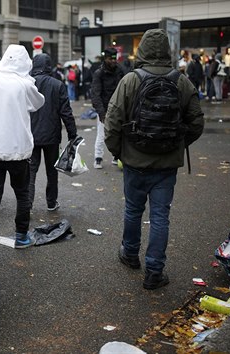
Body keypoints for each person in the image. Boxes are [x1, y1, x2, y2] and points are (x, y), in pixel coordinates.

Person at [104, 29, 204, 290]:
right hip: (167, 164)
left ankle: (130, 254)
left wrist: (120, 152)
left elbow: (112, 122)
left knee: (133, 210)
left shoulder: (130, 80)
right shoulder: (182, 82)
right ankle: (155, 271)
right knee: (160, 216)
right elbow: (196, 122)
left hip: (135, 161)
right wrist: (177, 145)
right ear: (167, 51)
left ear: (144, 51)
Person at [0, 44, 45, 249]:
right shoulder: (23, 84)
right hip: (18, 150)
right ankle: (21, 236)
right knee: (22, 193)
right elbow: (38, 103)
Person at [28, 53, 77, 212]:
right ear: (49, 66)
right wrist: (72, 133)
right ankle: (51, 202)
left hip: (31, 135)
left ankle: (27, 204)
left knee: (30, 171)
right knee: (51, 171)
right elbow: (66, 112)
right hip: (52, 136)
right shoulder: (57, 85)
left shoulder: (27, 84)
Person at [91, 47, 124, 169]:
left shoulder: (120, 70)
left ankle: (116, 156)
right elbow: (95, 94)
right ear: (105, 59)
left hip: (118, 108)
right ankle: (98, 158)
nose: (114, 61)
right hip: (104, 108)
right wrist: (101, 113)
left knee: (119, 134)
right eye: (111, 59)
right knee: (101, 135)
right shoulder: (99, 73)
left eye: (115, 58)